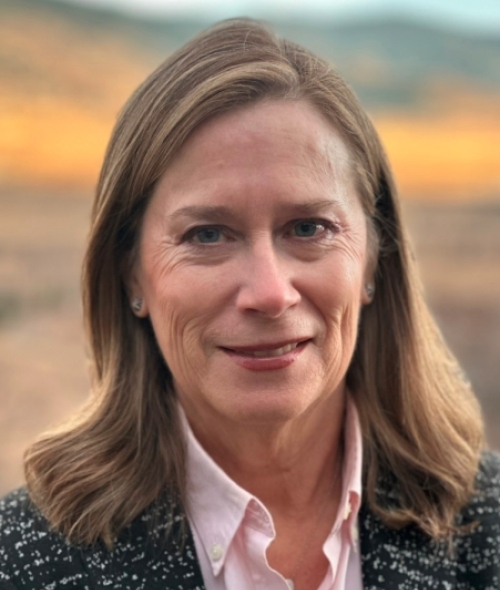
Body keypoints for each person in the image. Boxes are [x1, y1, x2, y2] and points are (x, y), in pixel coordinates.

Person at [1, 18, 499, 590]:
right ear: (130, 275)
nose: (268, 291)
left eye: (308, 228)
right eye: (208, 235)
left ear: (373, 260)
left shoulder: (488, 530)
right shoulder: (22, 563)